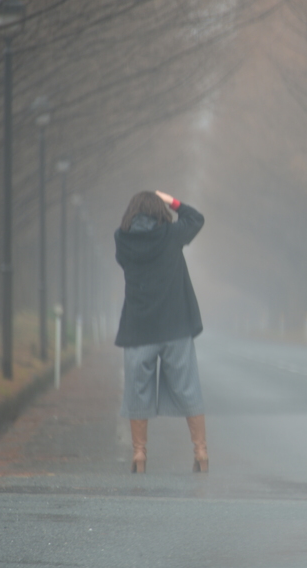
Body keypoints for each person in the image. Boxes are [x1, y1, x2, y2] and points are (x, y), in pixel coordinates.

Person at [114, 189, 208, 473]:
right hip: (175, 325)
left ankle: (140, 455)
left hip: (138, 329)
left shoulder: (122, 239)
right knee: (188, 387)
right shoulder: (171, 235)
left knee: (136, 391)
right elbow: (196, 218)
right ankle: (201, 452)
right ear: (160, 211)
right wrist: (171, 200)